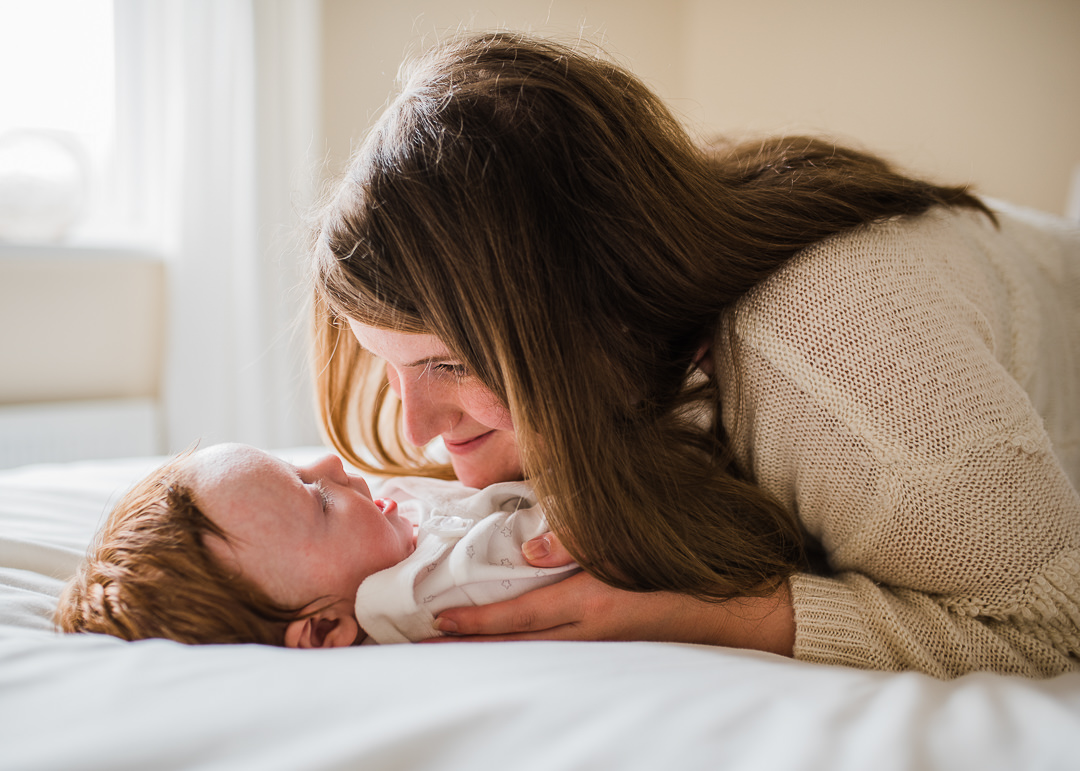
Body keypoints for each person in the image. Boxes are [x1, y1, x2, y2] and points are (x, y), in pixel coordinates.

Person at [308, 30, 1080, 678]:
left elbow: (1052, 620)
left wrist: (725, 614)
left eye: (449, 364)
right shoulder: (642, 331)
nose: (413, 430)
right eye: (392, 363)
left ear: (594, 311)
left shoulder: (839, 370)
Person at [55, 443, 577, 646]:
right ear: (325, 628)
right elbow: (586, 523)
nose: (332, 464)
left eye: (296, 467)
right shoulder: (438, 587)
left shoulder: (394, 532)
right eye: (319, 502)